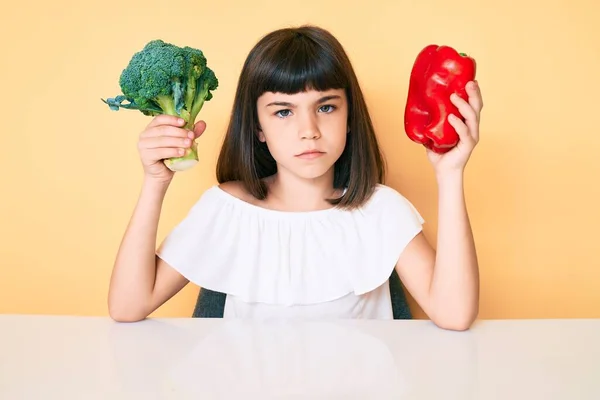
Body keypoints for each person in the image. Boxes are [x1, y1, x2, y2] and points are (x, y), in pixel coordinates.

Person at [108, 25, 483, 331]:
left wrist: (450, 175)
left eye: (326, 107)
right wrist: (155, 182)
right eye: (283, 112)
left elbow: (454, 314)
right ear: (257, 127)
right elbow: (128, 305)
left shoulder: (380, 209)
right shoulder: (227, 210)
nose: (309, 130)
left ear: (350, 117)